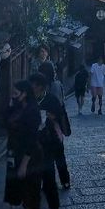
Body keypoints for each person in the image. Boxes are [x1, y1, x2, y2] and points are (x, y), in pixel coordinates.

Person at [4, 80, 43, 209]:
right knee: (21, 193)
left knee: (29, 194)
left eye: (16, 93)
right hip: (16, 155)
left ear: (25, 93)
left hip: (30, 158)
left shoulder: (33, 111)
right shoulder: (19, 108)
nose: (14, 96)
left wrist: (24, 165)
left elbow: (32, 140)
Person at [29, 72, 67, 209]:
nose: (32, 88)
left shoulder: (51, 100)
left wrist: (51, 117)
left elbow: (60, 116)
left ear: (41, 87)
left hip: (48, 144)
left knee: (49, 179)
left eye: (34, 86)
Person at [38, 61, 71, 189]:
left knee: (46, 157)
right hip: (56, 126)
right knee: (59, 156)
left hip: (43, 127)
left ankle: (47, 182)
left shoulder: (40, 86)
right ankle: (65, 180)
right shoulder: (57, 85)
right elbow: (62, 103)